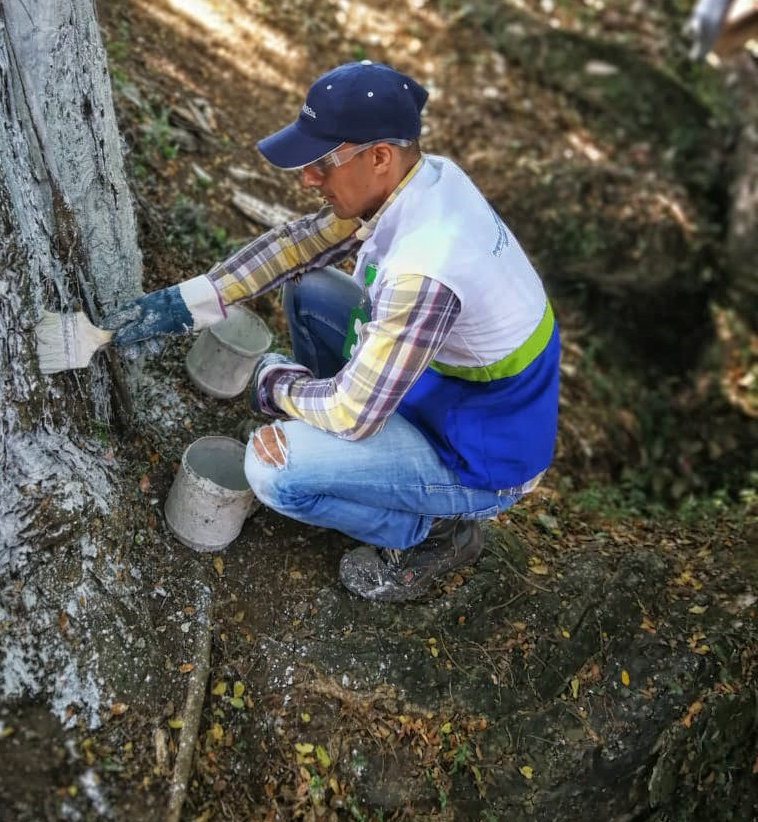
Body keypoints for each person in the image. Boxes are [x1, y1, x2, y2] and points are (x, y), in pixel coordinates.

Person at [106, 61, 560, 602]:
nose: (308, 179)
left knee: (273, 472)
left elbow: (353, 414)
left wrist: (276, 385)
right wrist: (186, 302)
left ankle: (430, 531)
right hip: (438, 391)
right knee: (310, 291)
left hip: (478, 456)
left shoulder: (427, 265)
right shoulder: (419, 179)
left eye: (322, 163)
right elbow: (298, 247)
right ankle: (338, 446)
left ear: (379, 156)